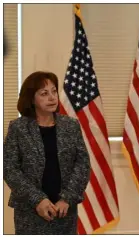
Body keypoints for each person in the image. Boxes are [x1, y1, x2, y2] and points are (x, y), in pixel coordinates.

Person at [3, 71, 91, 234]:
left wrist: (67, 198)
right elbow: (9, 169)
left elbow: (82, 164)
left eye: (54, 91)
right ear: (31, 99)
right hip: (29, 212)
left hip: (64, 210)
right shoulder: (18, 128)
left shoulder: (70, 125)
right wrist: (38, 200)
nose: (52, 97)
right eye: (44, 93)